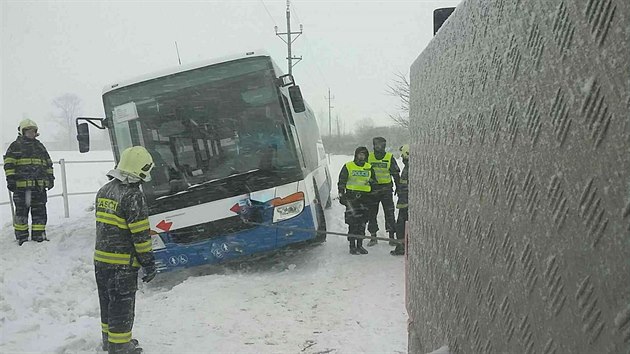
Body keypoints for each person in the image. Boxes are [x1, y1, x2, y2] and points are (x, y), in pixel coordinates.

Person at [94, 146, 157, 354]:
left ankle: (108, 341)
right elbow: (140, 235)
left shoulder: (105, 190)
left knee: (108, 303)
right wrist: (148, 263)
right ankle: (120, 347)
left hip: (101, 262)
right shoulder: (133, 196)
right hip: (122, 265)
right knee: (122, 306)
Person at [3, 119, 54, 245]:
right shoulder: (15, 146)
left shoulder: (40, 147)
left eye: (33, 131)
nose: (31, 133)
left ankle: (39, 235)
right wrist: (10, 179)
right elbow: (9, 164)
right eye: (28, 131)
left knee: (40, 213)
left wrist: (50, 178)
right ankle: (22, 237)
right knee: (21, 213)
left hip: (39, 188)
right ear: (22, 132)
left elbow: (48, 164)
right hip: (22, 189)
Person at [338, 146, 377, 255]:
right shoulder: (348, 166)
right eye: (360, 154)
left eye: (364, 154)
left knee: (362, 223)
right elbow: (341, 182)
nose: (362, 156)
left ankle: (360, 245)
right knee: (352, 223)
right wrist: (342, 195)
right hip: (352, 199)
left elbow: (374, 182)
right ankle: (352, 246)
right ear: (356, 155)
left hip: (365, 199)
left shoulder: (369, 167)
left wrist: (373, 195)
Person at [366, 137, 400, 246]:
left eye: (381, 144)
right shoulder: (369, 157)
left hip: (386, 189)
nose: (379, 146)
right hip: (372, 190)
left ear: (384, 145)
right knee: (371, 213)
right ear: (373, 145)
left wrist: (399, 187)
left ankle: (391, 237)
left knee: (389, 213)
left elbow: (395, 173)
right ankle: (373, 236)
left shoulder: (389, 157)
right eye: (377, 144)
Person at [391, 144, 409, 256]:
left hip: (406, 203)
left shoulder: (409, 168)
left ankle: (402, 247)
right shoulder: (410, 167)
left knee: (401, 225)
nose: (402, 158)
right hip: (406, 201)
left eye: (403, 156)